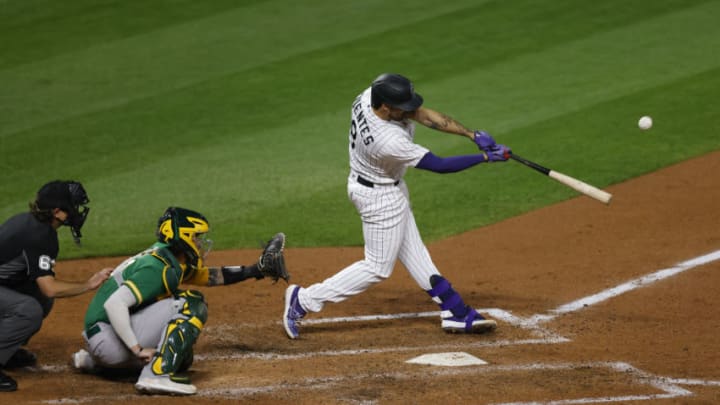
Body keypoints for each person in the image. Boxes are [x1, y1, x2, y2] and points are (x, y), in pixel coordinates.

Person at [283, 73, 512, 339]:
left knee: (415, 252)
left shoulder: (370, 95)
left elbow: (421, 114)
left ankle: (455, 311)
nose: (409, 111)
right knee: (377, 267)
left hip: (386, 186)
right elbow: (439, 166)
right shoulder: (387, 140)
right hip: (377, 197)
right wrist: (485, 157)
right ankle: (304, 299)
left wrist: (471, 134)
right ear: (385, 108)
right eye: (401, 108)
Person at [72, 206, 288, 395]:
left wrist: (254, 270)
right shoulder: (158, 268)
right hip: (107, 338)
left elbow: (210, 277)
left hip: (101, 338)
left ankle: (96, 363)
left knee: (182, 358)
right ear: (183, 237)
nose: (201, 243)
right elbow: (114, 304)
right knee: (192, 303)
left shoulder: (171, 259)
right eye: (196, 237)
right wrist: (137, 349)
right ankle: (155, 374)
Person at [0, 180, 112, 392]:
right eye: (72, 206)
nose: (77, 212)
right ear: (58, 212)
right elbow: (50, 287)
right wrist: (88, 284)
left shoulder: (31, 223)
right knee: (29, 309)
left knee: (40, 299)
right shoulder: (40, 236)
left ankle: (7, 349)